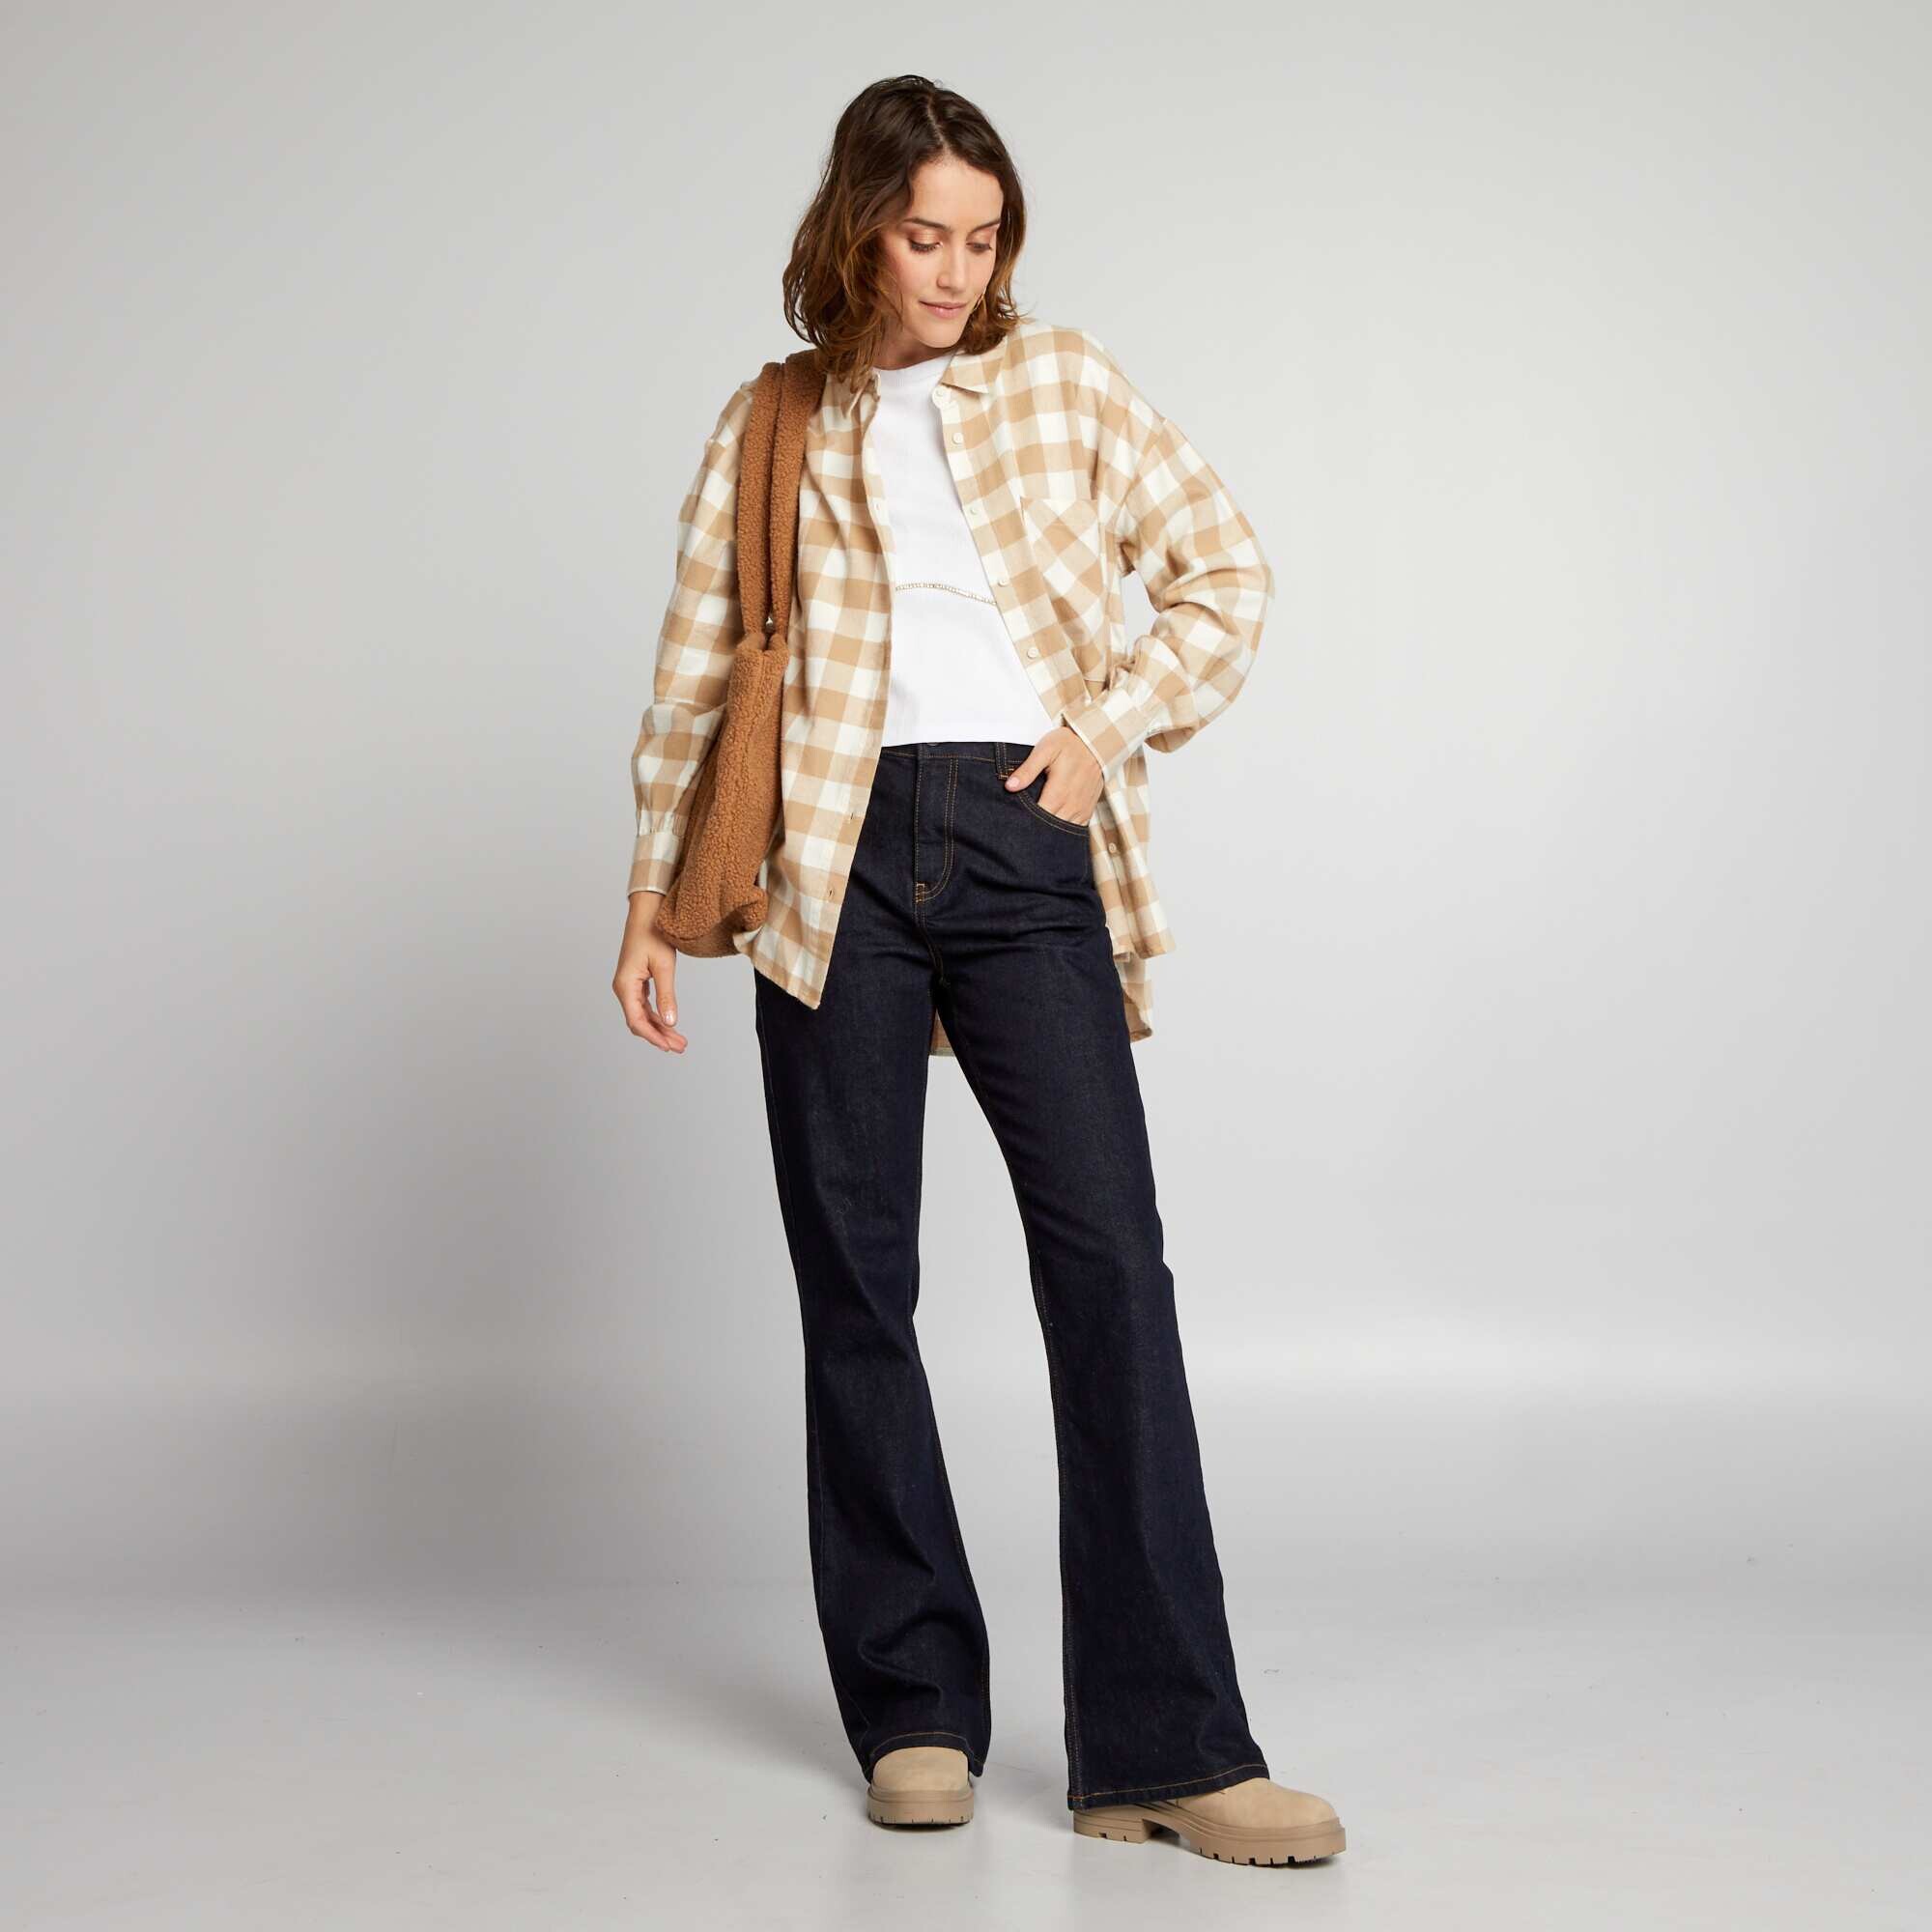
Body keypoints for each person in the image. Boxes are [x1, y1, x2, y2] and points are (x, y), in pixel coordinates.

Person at [612, 74, 1346, 1870]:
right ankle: (915, 1710)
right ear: (856, 230)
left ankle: (1166, 1747)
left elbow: (1225, 574)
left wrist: (1102, 730)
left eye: (983, 236)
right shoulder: (774, 420)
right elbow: (698, 666)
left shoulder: (1063, 382)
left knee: (1111, 1272)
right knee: (856, 1282)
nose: (955, 270)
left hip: (1022, 838)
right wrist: (647, 897)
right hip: (829, 851)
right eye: (922, 236)